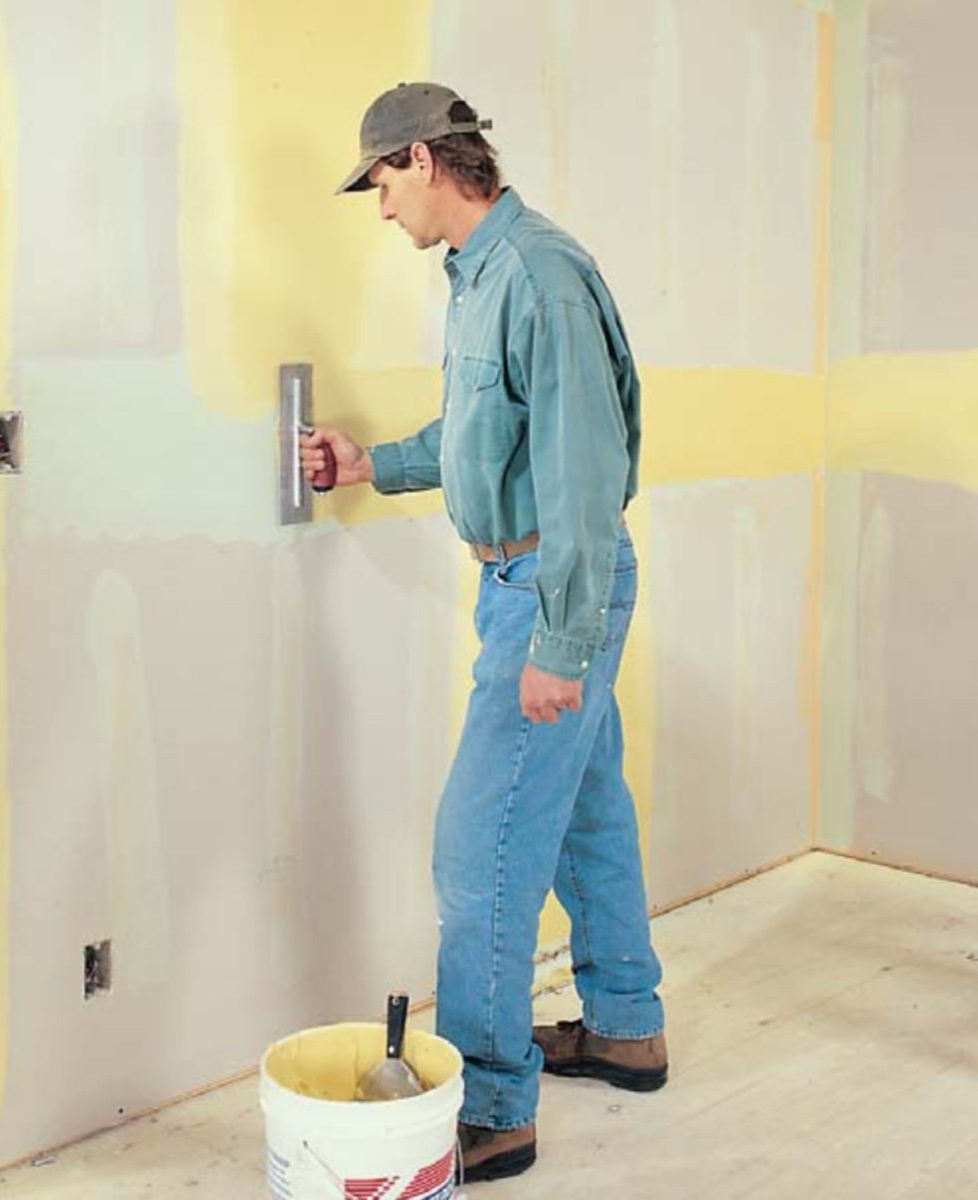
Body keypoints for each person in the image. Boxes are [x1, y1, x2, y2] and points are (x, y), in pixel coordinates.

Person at [301, 82, 667, 1185]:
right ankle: (624, 1027)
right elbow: (483, 435)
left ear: (422, 159)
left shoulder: (539, 277)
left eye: (378, 183)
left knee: (481, 854)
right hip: (525, 583)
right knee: (585, 819)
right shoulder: (482, 276)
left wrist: (561, 640)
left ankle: (496, 1104)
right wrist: (376, 464)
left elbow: (583, 476)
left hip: (554, 589)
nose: (377, 209)